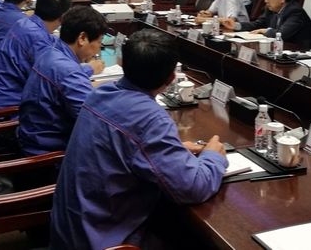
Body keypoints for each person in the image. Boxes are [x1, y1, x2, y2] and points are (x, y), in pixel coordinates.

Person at [50, 30, 228, 249]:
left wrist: (175, 149)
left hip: (71, 230)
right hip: (103, 240)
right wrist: (213, 156)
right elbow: (193, 188)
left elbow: (127, 145)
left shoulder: (101, 93)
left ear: (123, 63)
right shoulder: (150, 119)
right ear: (171, 78)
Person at [0, 0, 98, 111]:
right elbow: (54, 76)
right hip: (6, 109)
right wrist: (89, 68)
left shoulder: (26, 23)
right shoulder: (36, 37)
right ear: (63, 17)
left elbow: (53, 41)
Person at [17, 5, 109, 156]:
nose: (99, 49)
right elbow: (94, 122)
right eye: (99, 42)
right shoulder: (68, 71)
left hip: (33, 137)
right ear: (82, 38)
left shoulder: (51, 52)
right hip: (49, 155)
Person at [226, 0, 311, 49]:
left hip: (301, 53)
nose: (266, 0)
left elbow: (282, 34)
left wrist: (265, 31)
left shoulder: (295, 12)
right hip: (280, 50)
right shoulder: (271, 9)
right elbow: (257, 24)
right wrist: (236, 25)